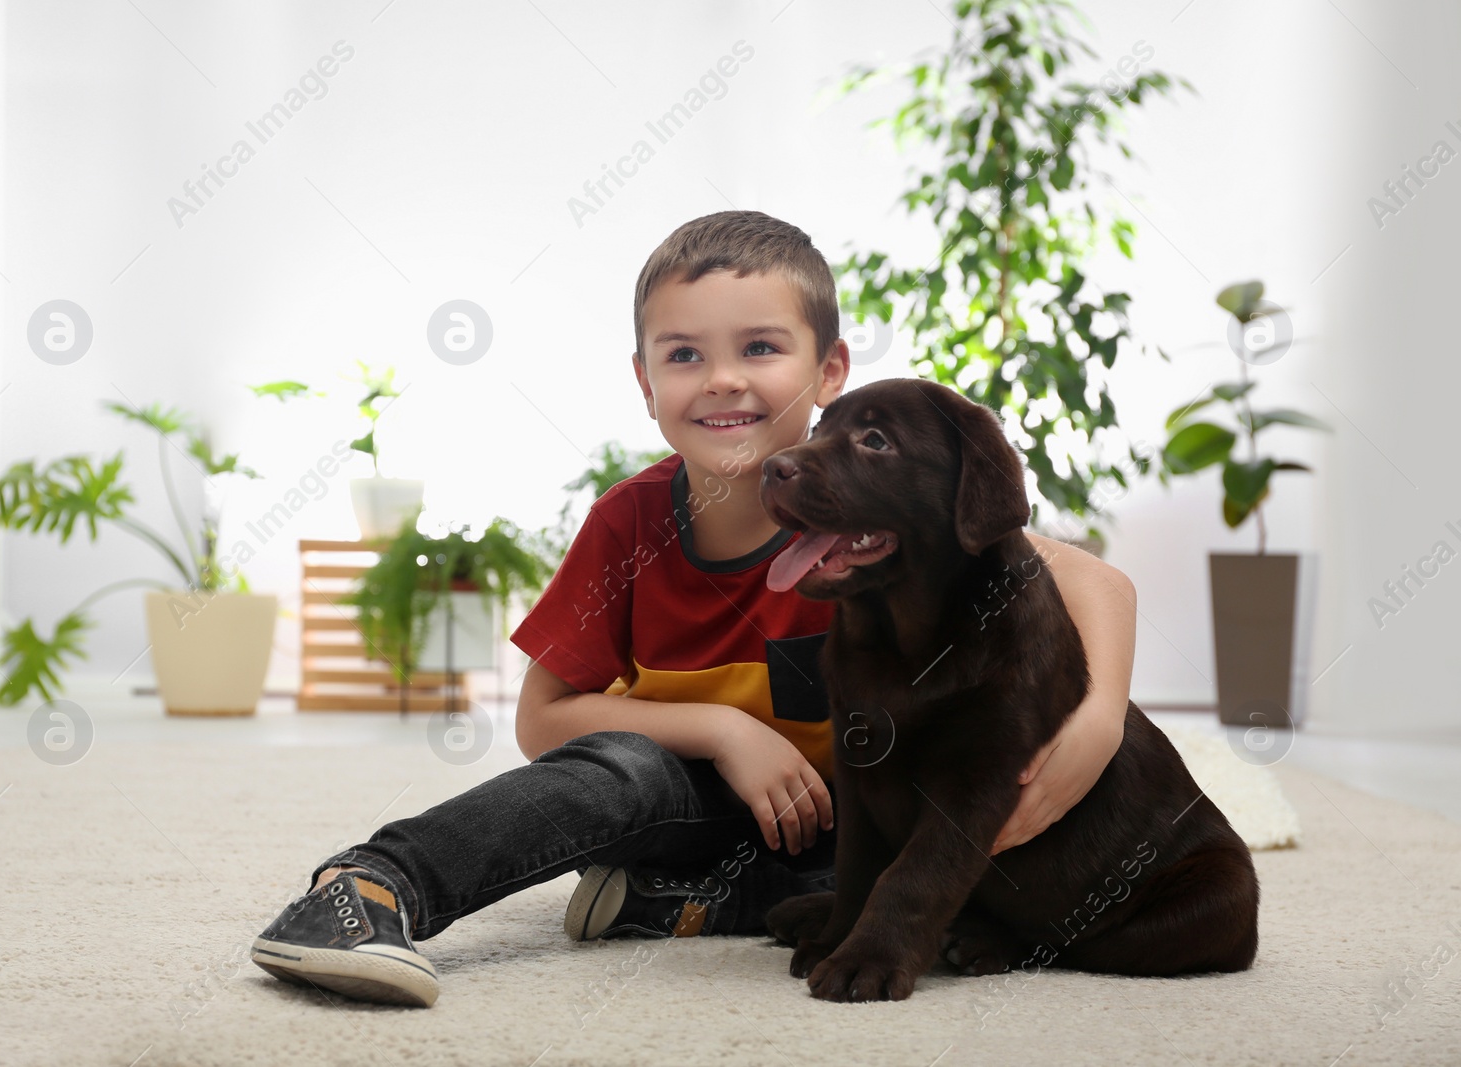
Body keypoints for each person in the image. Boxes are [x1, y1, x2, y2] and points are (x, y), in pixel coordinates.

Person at [250, 210, 1139, 1008]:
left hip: (843, 822)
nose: (721, 380)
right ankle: (372, 884)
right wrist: (720, 728)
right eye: (684, 355)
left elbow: (1101, 583)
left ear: (829, 369)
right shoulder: (628, 521)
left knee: (952, 846)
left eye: (759, 348)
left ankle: (669, 905)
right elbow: (542, 718)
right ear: (644, 382)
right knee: (618, 770)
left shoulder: (889, 521)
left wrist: (1097, 721)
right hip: (682, 798)